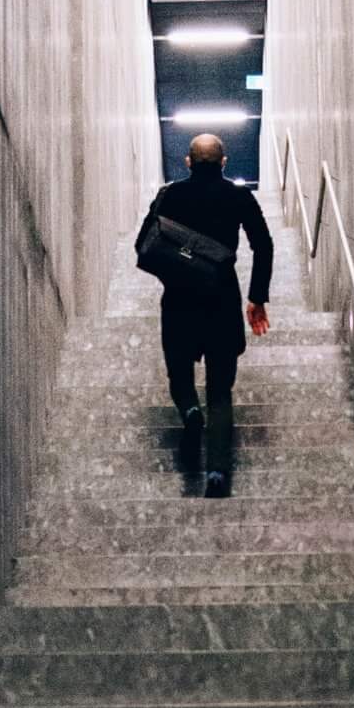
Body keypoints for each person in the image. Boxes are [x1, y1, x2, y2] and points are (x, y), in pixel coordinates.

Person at [135, 131, 274, 495]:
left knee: (179, 372)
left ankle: (190, 413)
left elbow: (143, 242)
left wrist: (174, 267)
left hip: (179, 298)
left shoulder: (170, 194)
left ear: (188, 162)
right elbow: (264, 244)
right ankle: (216, 473)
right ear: (224, 162)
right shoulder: (239, 196)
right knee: (220, 390)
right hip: (222, 299)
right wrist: (257, 297)